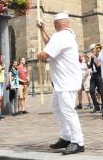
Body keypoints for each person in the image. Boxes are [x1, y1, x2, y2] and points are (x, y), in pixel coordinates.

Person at [37, 13, 85, 155]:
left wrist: (39, 55)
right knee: (56, 107)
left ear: (56, 24)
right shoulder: (68, 35)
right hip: (64, 81)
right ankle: (66, 137)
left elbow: (45, 54)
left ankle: (78, 141)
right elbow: (50, 43)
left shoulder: (61, 36)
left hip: (66, 81)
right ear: (67, 23)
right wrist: (42, 30)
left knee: (68, 110)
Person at [88, 44, 103, 113]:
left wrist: (94, 57)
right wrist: (89, 60)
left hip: (99, 75)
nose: (92, 51)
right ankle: (96, 106)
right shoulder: (92, 57)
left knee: (101, 91)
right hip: (93, 76)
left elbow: (98, 65)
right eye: (92, 50)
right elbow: (89, 66)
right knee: (91, 90)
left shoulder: (100, 56)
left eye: (93, 49)